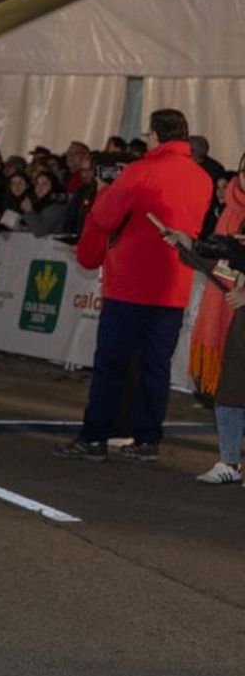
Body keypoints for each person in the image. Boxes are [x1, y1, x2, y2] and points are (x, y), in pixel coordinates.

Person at [57, 109, 212, 463]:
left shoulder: (141, 172)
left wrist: (104, 191)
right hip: (174, 286)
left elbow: (105, 215)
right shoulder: (202, 178)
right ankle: (147, 440)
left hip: (130, 284)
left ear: (155, 136)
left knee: (111, 364)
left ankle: (94, 437)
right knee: (155, 367)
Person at [168, 154, 245, 484]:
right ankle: (229, 460)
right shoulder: (232, 213)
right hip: (235, 315)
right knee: (231, 388)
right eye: (244, 169)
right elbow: (228, 261)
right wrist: (190, 246)